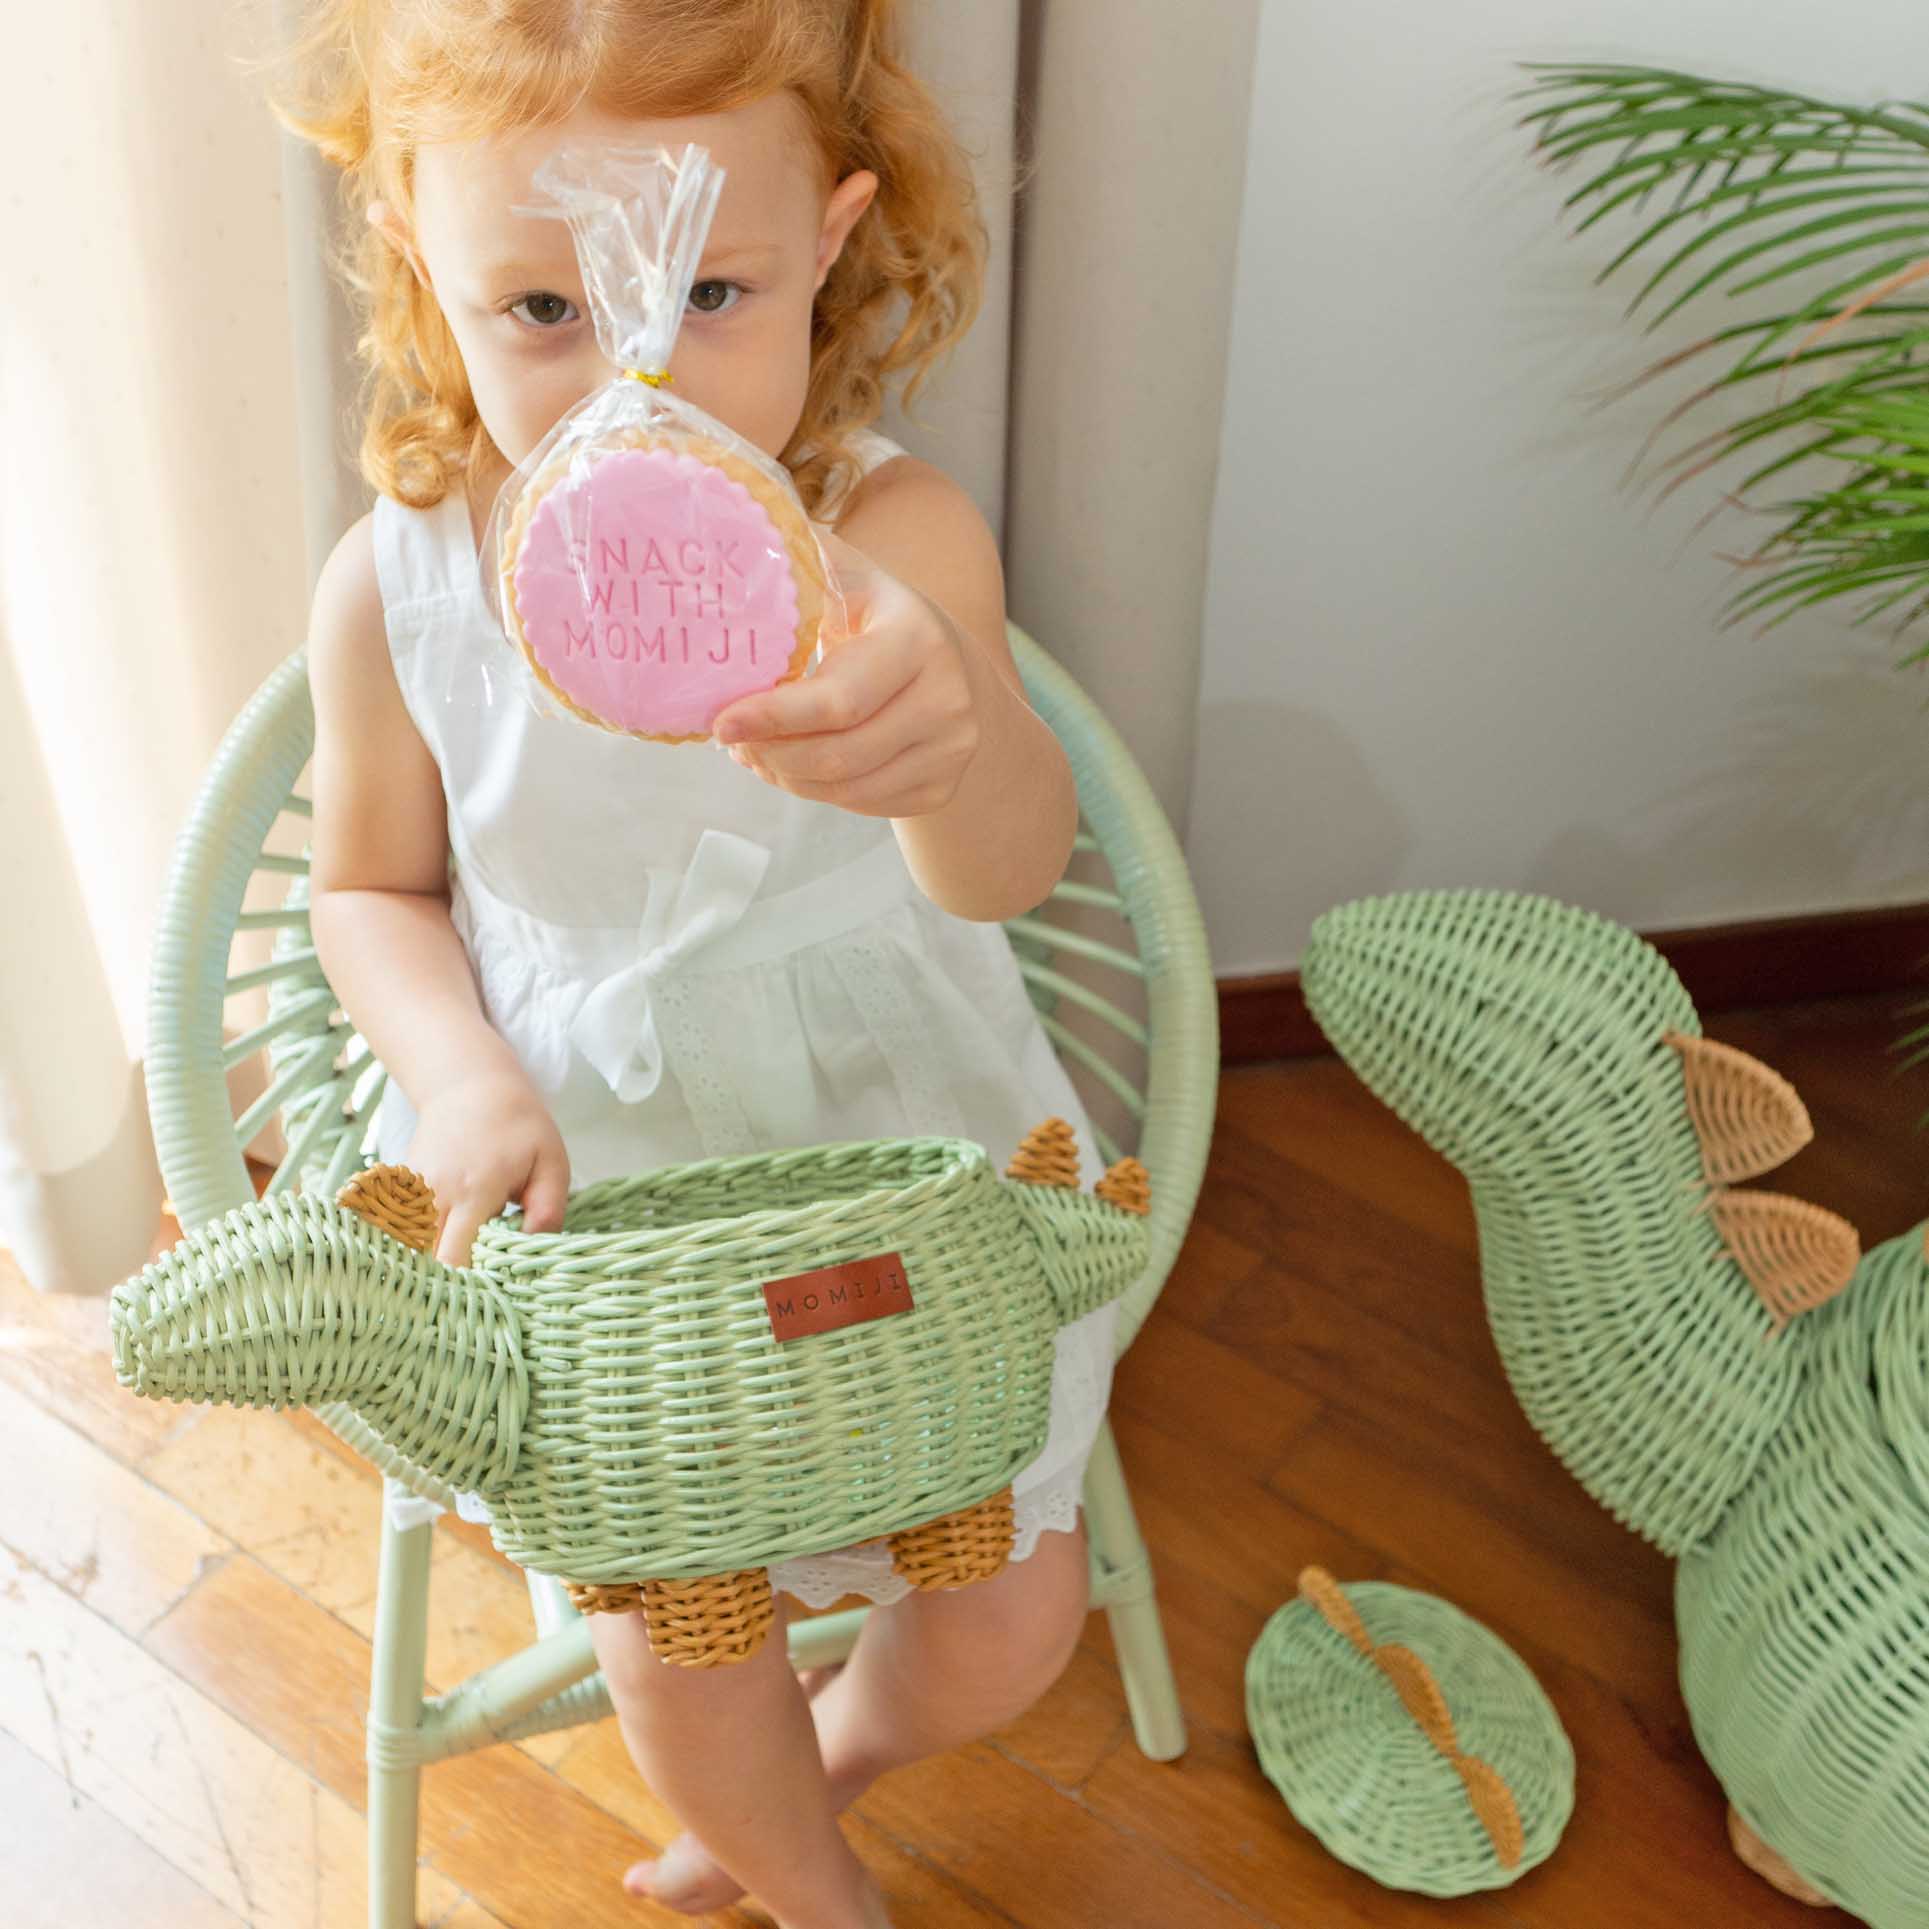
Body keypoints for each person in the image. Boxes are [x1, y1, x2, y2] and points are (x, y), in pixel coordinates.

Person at [281, 4, 1115, 1925]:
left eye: (707, 288)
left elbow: (1001, 876)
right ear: (424, 252)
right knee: (676, 1631)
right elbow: (369, 891)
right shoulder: (399, 581)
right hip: (608, 1191)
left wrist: (956, 734)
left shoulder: (886, 540)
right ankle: (809, 1879)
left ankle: (844, 1754)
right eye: (543, 313)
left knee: (1008, 1618)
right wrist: (461, 1068)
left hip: (891, 1159)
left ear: (829, 243)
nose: (624, 385)